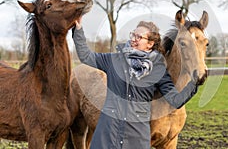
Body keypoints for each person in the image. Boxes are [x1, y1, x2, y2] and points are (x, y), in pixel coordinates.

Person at [72, 17, 203, 149]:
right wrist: (78, 30)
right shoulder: (113, 60)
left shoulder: (157, 70)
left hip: (136, 138)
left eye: (139, 37)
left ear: (150, 44)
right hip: (107, 135)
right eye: (133, 35)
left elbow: (175, 100)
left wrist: (194, 84)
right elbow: (86, 56)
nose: (134, 39)